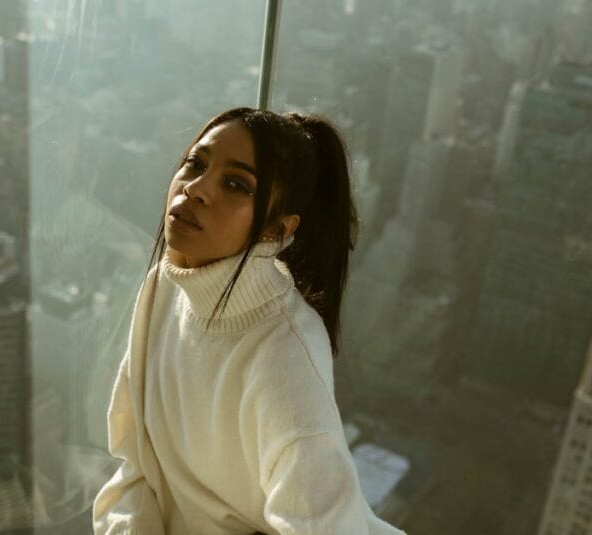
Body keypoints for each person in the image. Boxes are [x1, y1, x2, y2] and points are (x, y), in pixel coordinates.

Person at [92, 107, 405, 534]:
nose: (196, 189)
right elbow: (136, 468)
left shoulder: (284, 355)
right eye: (196, 164)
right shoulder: (164, 288)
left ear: (276, 230)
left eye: (236, 184)